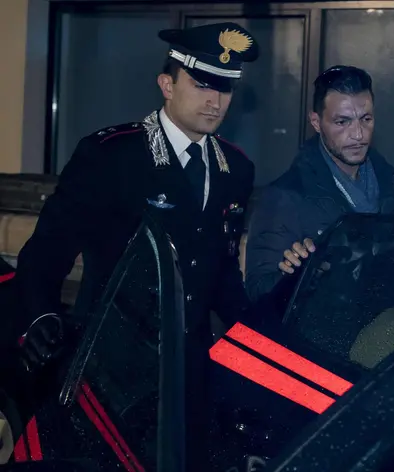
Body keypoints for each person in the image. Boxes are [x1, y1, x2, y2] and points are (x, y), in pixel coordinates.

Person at [11, 22, 259, 467]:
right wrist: (40, 317)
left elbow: (221, 271)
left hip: (191, 373)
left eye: (225, 89)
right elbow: (46, 253)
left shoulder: (234, 170)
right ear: (167, 84)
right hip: (112, 369)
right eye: (202, 84)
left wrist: (258, 338)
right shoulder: (111, 155)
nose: (214, 100)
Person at [245, 65, 394, 305]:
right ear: (316, 121)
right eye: (342, 122)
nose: (358, 134)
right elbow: (258, 291)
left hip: (383, 329)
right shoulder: (285, 196)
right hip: (322, 336)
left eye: (366, 119)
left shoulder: (393, 182)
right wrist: (299, 274)